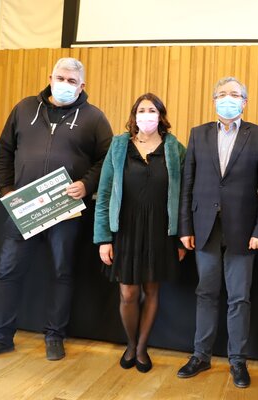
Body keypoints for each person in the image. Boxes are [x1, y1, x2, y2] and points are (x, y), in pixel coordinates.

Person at [0, 57, 113, 361]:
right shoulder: (24, 108)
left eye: (72, 81)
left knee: (62, 273)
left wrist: (86, 184)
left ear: (82, 86)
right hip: (24, 209)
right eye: (60, 78)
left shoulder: (94, 118)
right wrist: (7, 190)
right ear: (50, 78)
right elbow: (4, 150)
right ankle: (0, 337)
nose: (65, 85)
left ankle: (54, 336)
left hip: (66, 211)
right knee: (8, 272)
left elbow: (107, 159)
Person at [176, 77, 258, 388]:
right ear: (214, 100)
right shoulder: (198, 134)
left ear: (244, 102)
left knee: (239, 297)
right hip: (204, 227)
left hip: (243, 230)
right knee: (205, 292)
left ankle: (238, 361)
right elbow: (187, 185)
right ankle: (201, 355)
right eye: (222, 94)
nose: (227, 98)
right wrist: (184, 227)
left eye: (234, 94)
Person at [94, 93, 186, 373]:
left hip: (161, 230)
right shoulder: (119, 145)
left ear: (161, 115)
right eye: (141, 110)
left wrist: (182, 238)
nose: (147, 115)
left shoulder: (175, 148)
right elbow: (104, 192)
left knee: (152, 290)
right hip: (125, 229)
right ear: (134, 115)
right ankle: (131, 344)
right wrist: (103, 238)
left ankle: (142, 347)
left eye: (152, 110)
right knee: (128, 293)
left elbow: (185, 197)